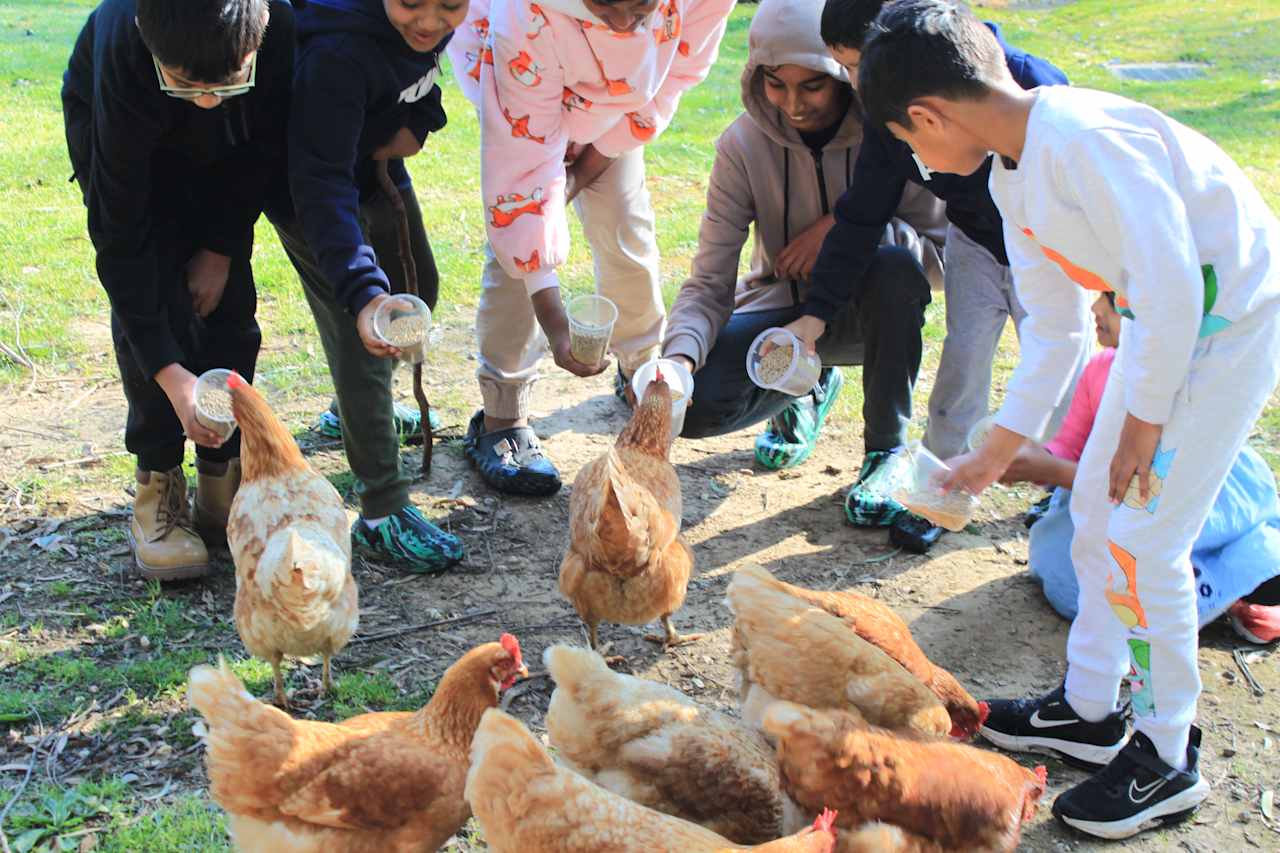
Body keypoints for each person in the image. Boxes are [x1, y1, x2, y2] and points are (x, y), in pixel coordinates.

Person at [856, 0, 1280, 838]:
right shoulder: (1013, 172)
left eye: (907, 140)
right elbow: (1054, 325)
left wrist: (1144, 425)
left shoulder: (1084, 138)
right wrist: (996, 448)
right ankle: (1091, 707)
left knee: (1143, 541)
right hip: (1167, 332)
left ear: (929, 114)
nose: (913, 156)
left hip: (1224, 325)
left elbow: (1166, 285)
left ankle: (1166, 752)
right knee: (1094, 509)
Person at [776, 0, 1088, 554]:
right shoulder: (888, 113)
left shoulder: (1030, 91)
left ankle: (1063, 493)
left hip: (1053, 250)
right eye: (844, 69)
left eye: (857, 66)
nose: (854, 84)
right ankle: (941, 496)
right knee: (962, 366)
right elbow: (862, 212)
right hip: (976, 242)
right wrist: (816, 312)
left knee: (1066, 373)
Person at [447, 0, 736, 496]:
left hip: (617, 112)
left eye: (641, 6)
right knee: (515, 248)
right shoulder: (522, 17)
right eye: (605, 5)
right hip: (524, 93)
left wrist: (591, 163)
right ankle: (503, 413)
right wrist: (556, 321)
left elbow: (679, 68)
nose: (624, 23)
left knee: (625, 223)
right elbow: (521, 179)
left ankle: (645, 375)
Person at [62, 0, 294, 581]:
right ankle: (158, 482)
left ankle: (223, 477)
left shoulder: (279, 29)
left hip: (229, 156)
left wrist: (222, 246)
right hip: (126, 141)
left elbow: (263, 149)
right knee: (155, 292)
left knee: (229, 306)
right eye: (190, 84)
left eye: (228, 80)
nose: (210, 100)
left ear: (259, 33)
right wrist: (170, 373)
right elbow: (122, 238)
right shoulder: (123, 45)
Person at [661, 0, 945, 470]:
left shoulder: (895, 132)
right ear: (756, 77)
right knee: (698, 404)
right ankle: (805, 387)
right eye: (775, 83)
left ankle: (885, 451)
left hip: (867, 317)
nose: (793, 104)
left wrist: (849, 229)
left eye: (812, 85)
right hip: (779, 317)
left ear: (844, 73)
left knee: (894, 271)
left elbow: (937, 261)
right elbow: (709, 281)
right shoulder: (741, 147)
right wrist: (677, 363)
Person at [271, 0, 466, 574]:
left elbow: (419, 87)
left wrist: (421, 125)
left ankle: (353, 411)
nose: (430, 22)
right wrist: (359, 290)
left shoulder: (426, 26)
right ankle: (382, 510)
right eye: (411, 4)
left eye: (450, 6)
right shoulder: (336, 54)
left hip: (368, 155)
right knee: (366, 327)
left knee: (415, 287)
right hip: (310, 192)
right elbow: (319, 181)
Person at [1007, 293, 1280, 644]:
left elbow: (1150, 485)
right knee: (1067, 574)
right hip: (1108, 510)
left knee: (1259, 568)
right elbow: (1070, 446)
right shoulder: (1099, 369)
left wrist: (1053, 470)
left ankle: (1232, 596)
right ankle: (1220, 602)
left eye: (1110, 299)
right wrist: (1038, 457)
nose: (1095, 309)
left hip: (1199, 510)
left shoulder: (1189, 382)